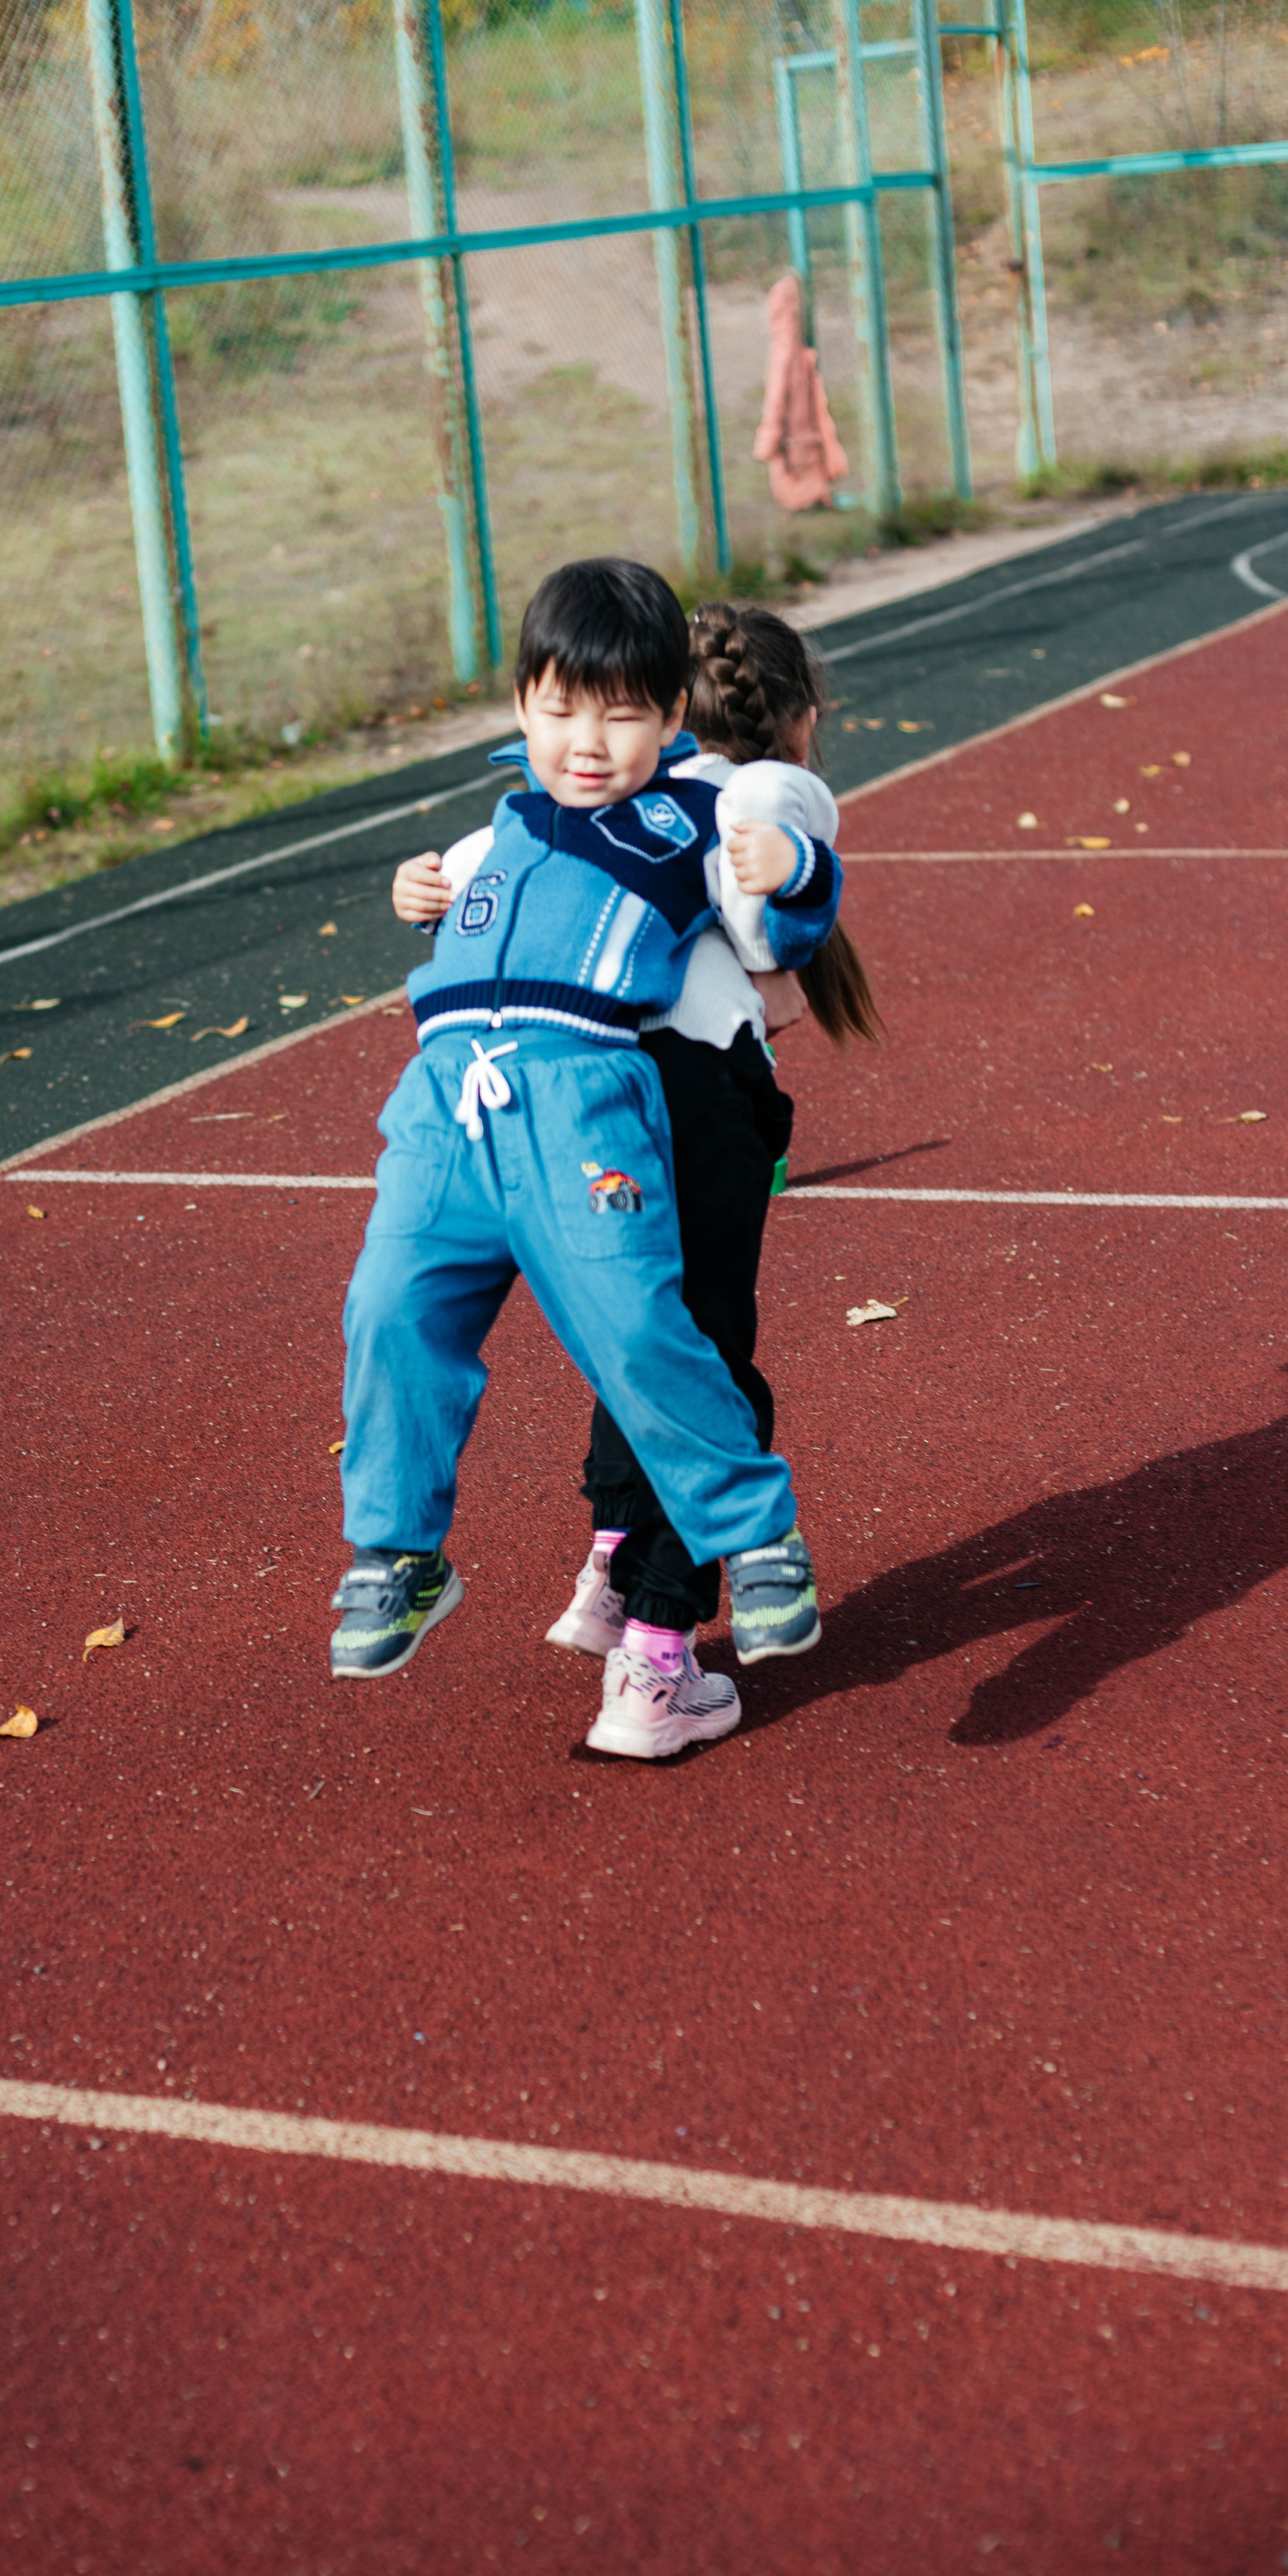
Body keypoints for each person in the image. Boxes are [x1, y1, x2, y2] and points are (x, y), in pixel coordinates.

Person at [329, 558, 841, 1759]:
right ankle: (399, 1551)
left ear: (671, 719)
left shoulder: (691, 816)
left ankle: (755, 1534)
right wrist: (416, 888)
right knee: (388, 1307)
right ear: (521, 705)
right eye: (560, 710)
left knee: (639, 1328)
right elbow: (453, 894)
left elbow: (781, 923)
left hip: (580, 1101)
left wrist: (797, 875)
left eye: (621, 716)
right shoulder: (502, 825)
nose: (588, 743)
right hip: (444, 1107)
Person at [538, 598, 882, 1671]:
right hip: (696, 1099)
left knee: (639, 1335)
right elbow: (769, 944)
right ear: (800, 719)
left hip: (581, 1093)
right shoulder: (763, 798)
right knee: (707, 1355)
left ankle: (613, 1559)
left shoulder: (605, 803)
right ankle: (660, 1642)